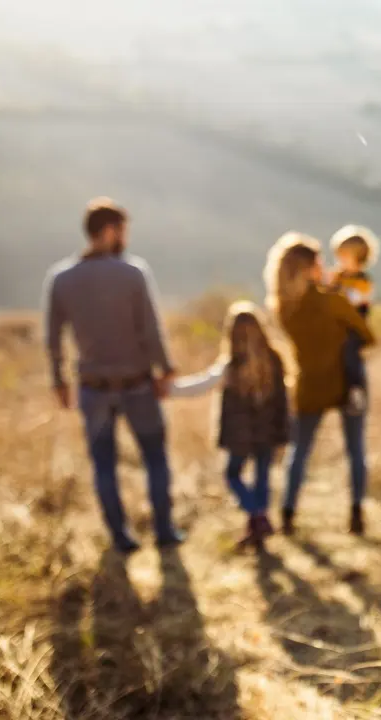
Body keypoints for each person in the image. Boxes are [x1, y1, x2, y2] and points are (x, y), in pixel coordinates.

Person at [44, 197, 183, 553]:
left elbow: (53, 337)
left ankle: (121, 537)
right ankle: (164, 530)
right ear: (109, 231)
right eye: (123, 231)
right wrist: (165, 369)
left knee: (103, 464)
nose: (126, 239)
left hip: (92, 388)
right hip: (137, 384)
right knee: (155, 458)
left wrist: (59, 381)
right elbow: (150, 330)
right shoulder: (132, 273)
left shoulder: (61, 278)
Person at [264, 232, 376, 536]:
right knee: (355, 449)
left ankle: (287, 514)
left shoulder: (283, 308)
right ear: (309, 267)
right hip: (347, 380)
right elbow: (367, 334)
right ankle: (356, 513)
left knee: (298, 451)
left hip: (309, 383)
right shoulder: (332, 301)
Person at [171, 302, 290, 549]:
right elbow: (283, 401)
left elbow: (201, 385)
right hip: (267, 432)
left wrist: (170, 389)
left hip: (240, 436)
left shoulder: (231, 365)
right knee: (262, 478)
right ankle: (258, 520)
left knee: (232, 474)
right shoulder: (274, 360)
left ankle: (256, 517)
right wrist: (283, 431)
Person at [326, 224, 381, 416]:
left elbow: (356, 300)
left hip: (354, 329)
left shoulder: (363, 280)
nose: (340, 261)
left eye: (344, 256)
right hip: (337, 329)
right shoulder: (337, 277)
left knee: (350, 353)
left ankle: (355, 389)